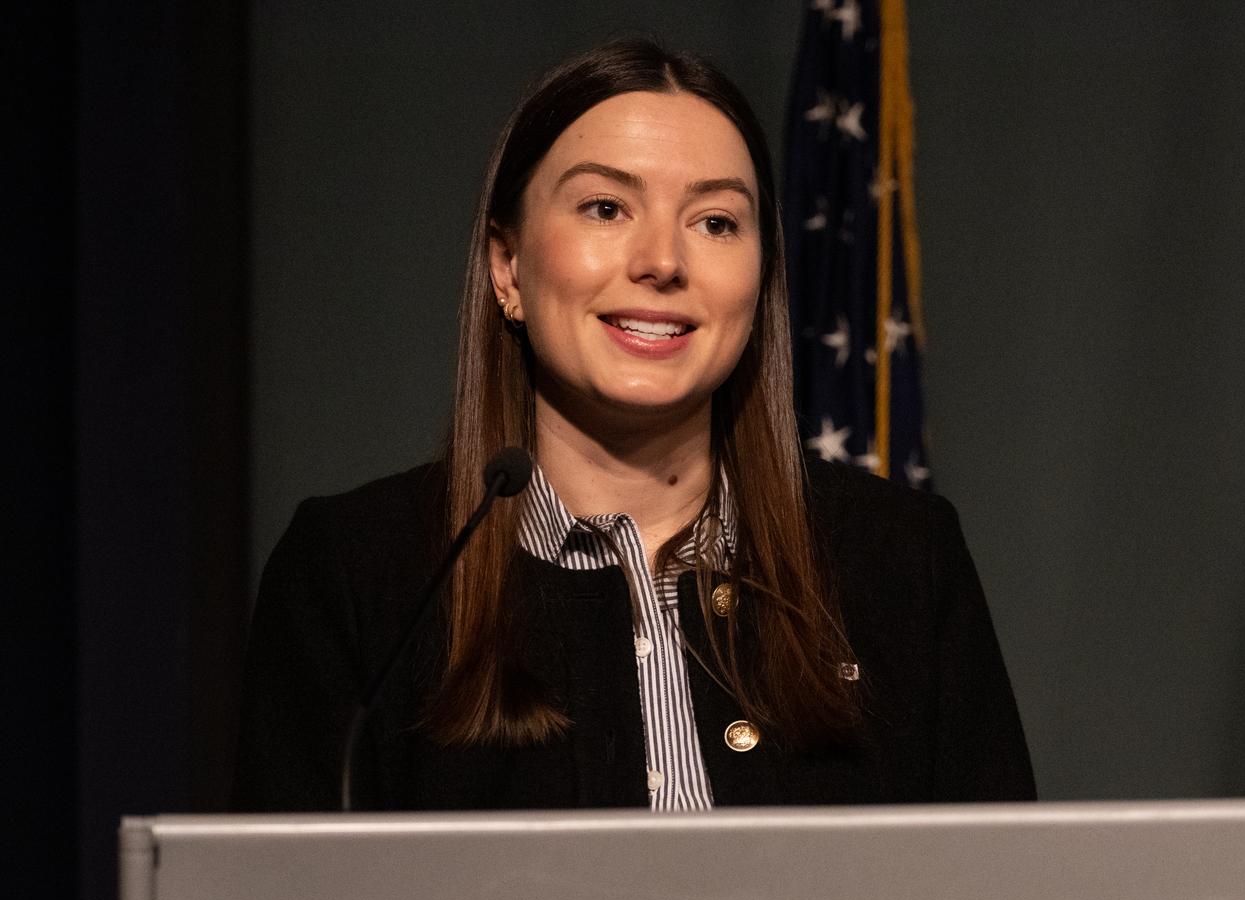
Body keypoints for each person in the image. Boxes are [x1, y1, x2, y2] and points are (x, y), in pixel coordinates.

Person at [233, 39, 1035, 812]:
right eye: (606, 207)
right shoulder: (356, 575)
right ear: (507, 268)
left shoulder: (901, 559)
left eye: (716, 221)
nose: (663, 260)